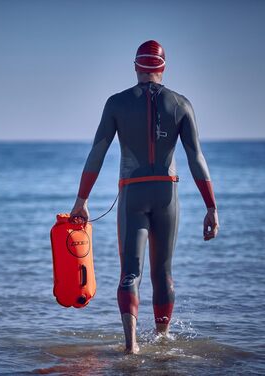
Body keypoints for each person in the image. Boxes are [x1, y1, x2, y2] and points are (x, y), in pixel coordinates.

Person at [70, 40, 219, 354]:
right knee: (163, 272)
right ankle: (163, 343)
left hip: (133, 193)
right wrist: (211, 207)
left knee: (131, 273)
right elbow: (196, 159)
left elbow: (97, 153)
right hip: (168, 192)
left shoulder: (116, 103)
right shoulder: (182, 104)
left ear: (137, 66)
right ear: (163, 68)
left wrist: (82, 200)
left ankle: (132, 346)